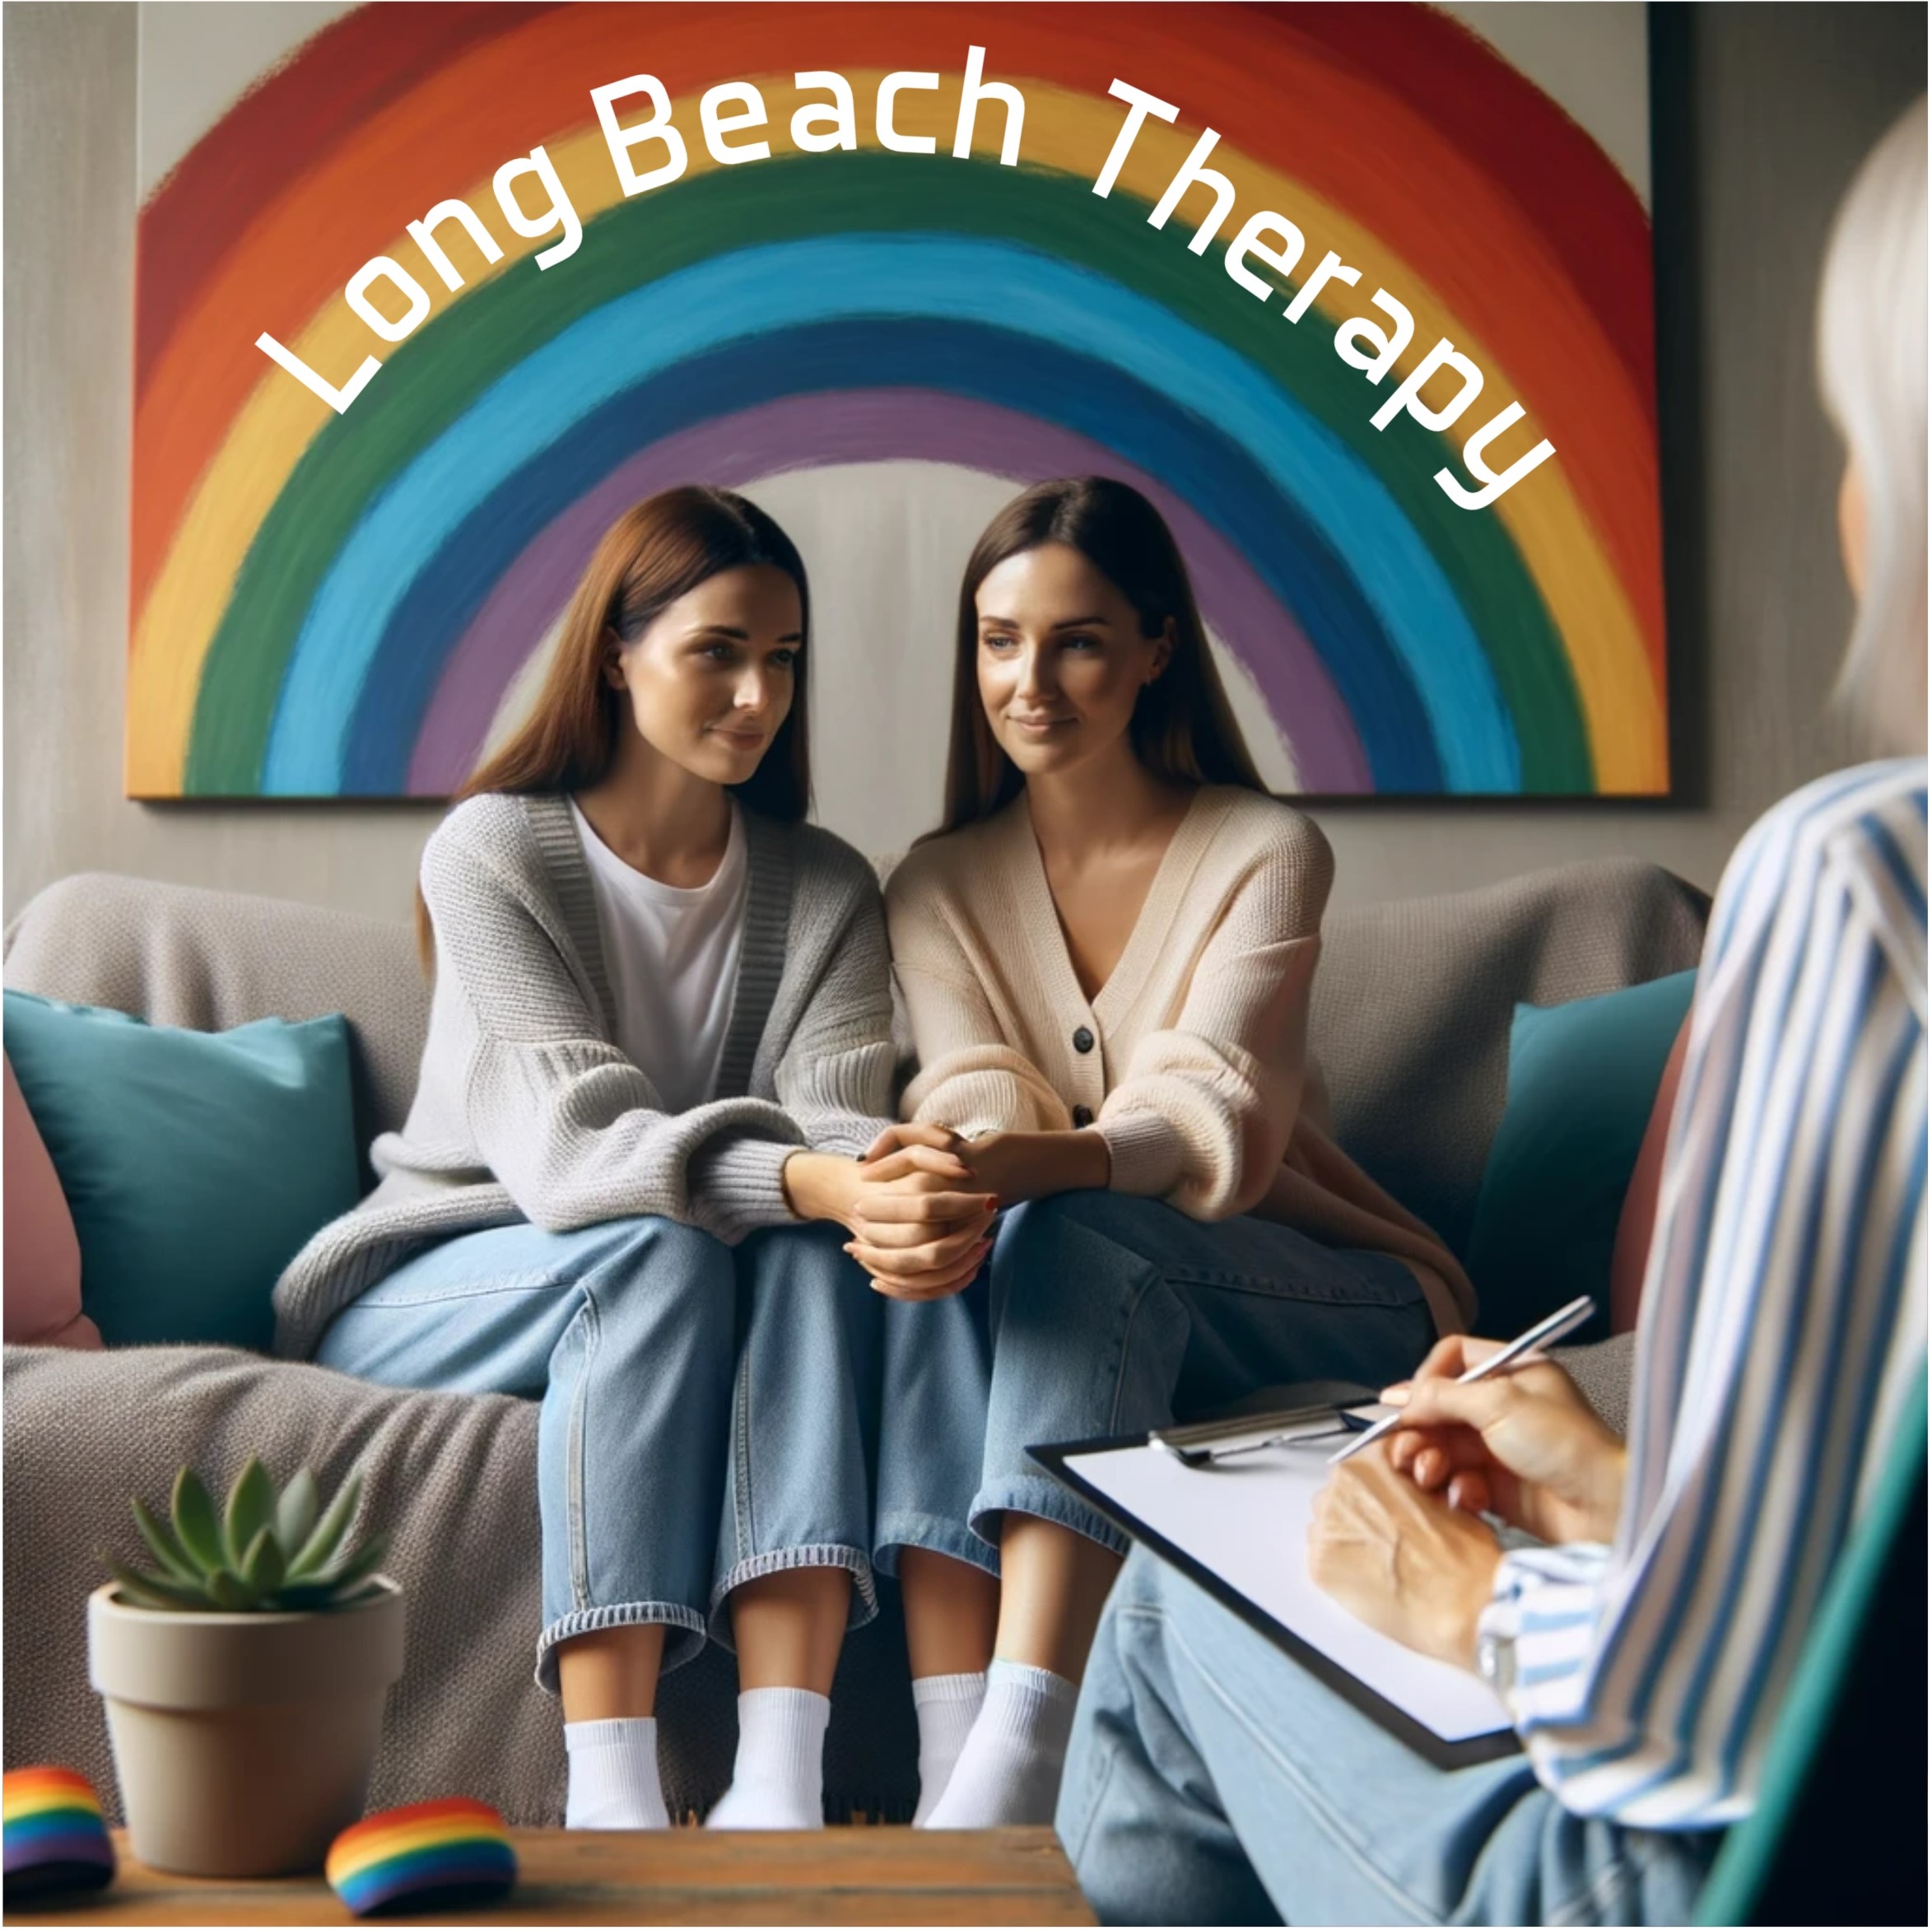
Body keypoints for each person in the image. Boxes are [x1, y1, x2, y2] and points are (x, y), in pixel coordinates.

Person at [1055, 95, 1927, 1924]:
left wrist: (1455, 1592)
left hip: (1711, 1880)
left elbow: (1712, 1728)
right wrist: (1615, 1489)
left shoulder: (1874, 876)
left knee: (1172, 1594)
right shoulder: (945, 880)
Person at [272, 487, 996, 1831]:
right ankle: (612, 1791)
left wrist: (887, 1183)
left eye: (783, 659)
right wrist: (813, 1177)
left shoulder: (826, 884)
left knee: (822, 1256)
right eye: (716, 650)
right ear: (617, 650)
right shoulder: (492, 849)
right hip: (441, 1276)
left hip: (676, 1269)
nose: (756, 695)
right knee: (665, 1248)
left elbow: (833, 1116)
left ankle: (780, 1772)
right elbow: (569, 1151)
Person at [859, 475, 1475, 1827]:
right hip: (1071, 1268)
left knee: (1071, 1235)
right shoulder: (936, 882)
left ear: (1156, 649)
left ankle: (1023, 1744)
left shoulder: (1267, 851)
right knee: (937, 1250)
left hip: (1323, 1286)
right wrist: (952, 1182)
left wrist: (1032, 1170)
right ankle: (945, 1746)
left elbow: (1212, 1113)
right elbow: (973, 1086)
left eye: (1079, 640)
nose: (1031, 681)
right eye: (1000, 638)